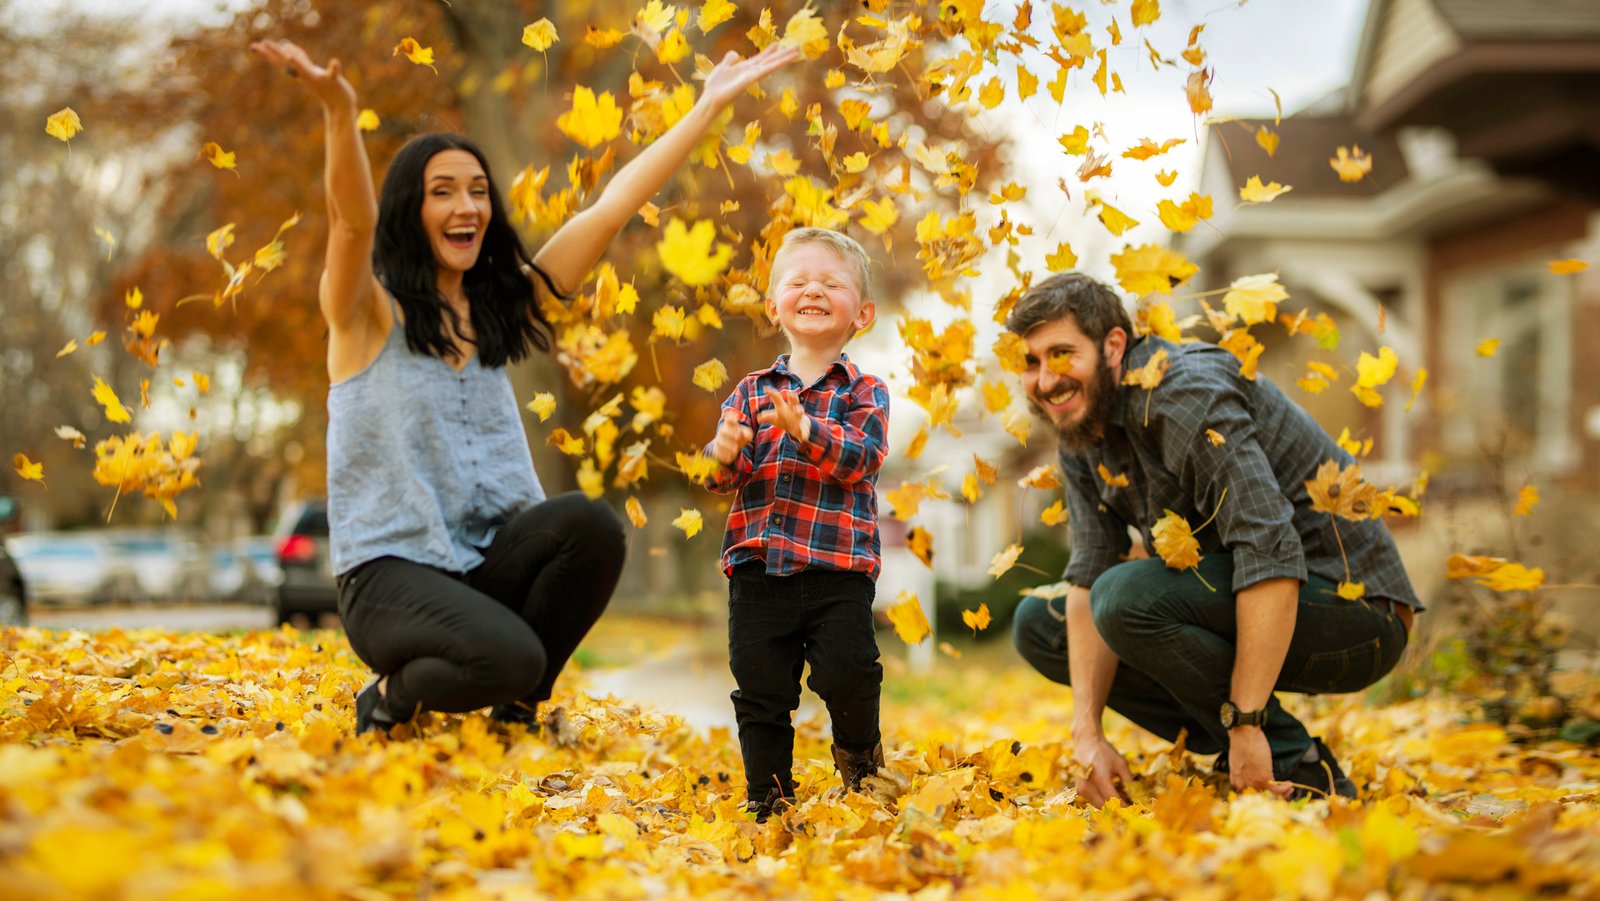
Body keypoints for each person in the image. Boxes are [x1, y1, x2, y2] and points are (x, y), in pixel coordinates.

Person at [249, 38, 798, 736]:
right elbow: (351, 221)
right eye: (442, 192)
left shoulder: (497, 311)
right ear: (409, 210)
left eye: (477, 191)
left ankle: (512, 713)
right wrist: (338, 111)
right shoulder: (364, 314)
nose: (467, 206)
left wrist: (706, 108)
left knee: (591, 527)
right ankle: (389, 696)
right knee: (513, 656)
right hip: (388, 578)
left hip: (478, 563)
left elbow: (610, 208)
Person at [1006, 272, 1420, 803]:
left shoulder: (1183, 396)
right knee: (1041, 624)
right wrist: (1087, 735)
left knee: (1125, 598)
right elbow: (1088, 573)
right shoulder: (1082, 429)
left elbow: (1269, 549)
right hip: (1251, 604)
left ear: (1113, 346)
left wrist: (1247, 722)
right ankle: (1236, 744)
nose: (1046, 380)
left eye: (1061, 354)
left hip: (1358, 613)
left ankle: (1293, 763)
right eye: (1031, 362)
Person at [701, 228, 890, 820]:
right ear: (773, 305)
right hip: (758, 569)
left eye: (831, 283)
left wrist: (805, 430)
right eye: (799, 281)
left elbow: (861, 459)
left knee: (848, 673)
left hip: (838, 570)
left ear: (862, 314)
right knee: (761, 687)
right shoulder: (749, 391)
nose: (813, 290)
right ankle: (769, 798)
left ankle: (860, 762)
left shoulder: (865, 392)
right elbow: (724, 480)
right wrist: (724, 453)